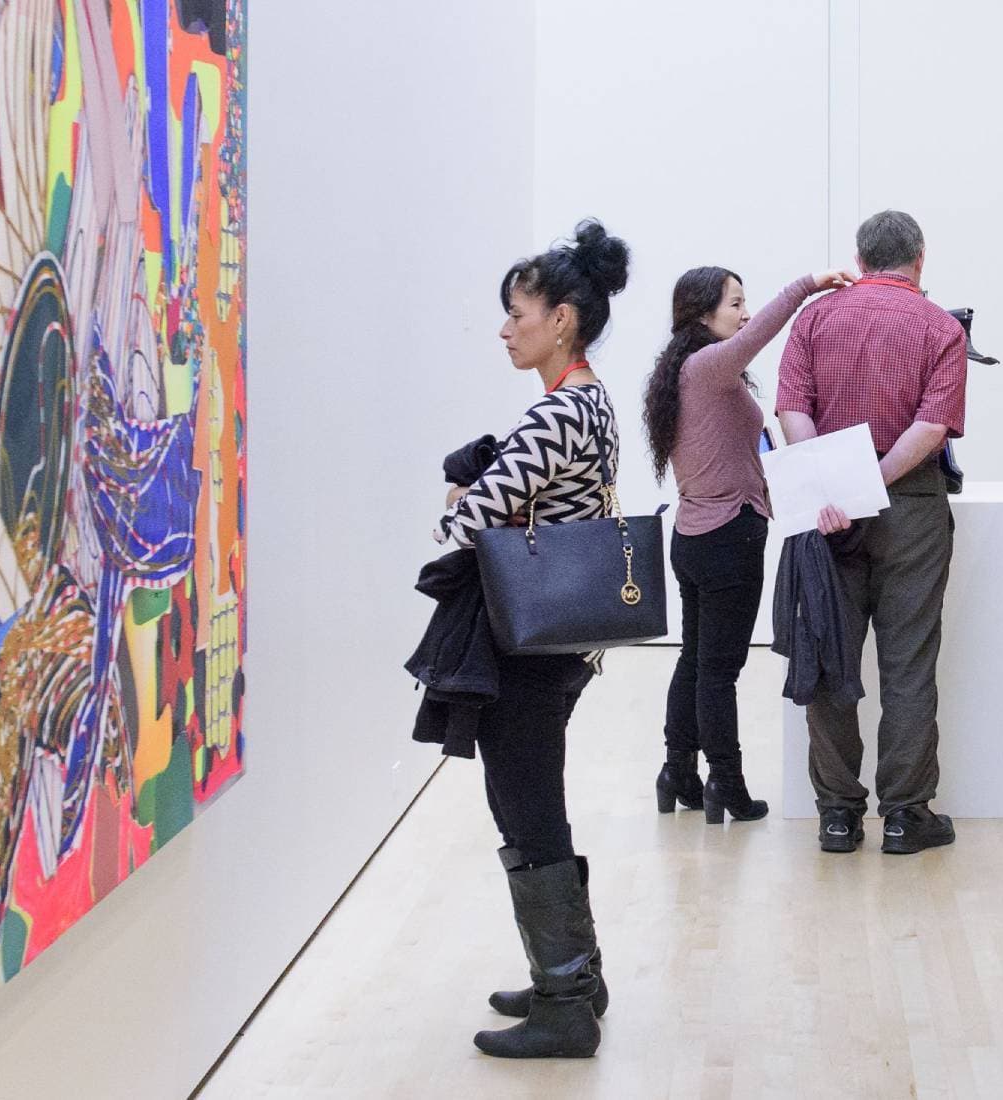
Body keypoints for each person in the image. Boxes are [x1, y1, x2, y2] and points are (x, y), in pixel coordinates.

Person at [436, 220, 632, 1058]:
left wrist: (459, 487)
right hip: (561, 643)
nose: (506, 328)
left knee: (527, 805)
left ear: (562, 319)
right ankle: (575, 973)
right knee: (530, 798)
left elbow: (465, 521)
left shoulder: (556, 414)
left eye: (518, 313)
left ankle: (563, 1001)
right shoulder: (594, 401)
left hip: (528, 648)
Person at [777, 210, 971, 856]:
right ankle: (904, 815)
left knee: (830, 657)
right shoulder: (940, 326)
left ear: (860, 261)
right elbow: (931, 428)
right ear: (919, 258)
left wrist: (832, 485)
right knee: (908, 662)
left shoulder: (815, 319)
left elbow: (792, 410)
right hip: (910, 507)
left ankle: (836, 814)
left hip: (829, 511)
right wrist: (873, 484)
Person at [642, 265, 853, 823]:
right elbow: (763, 332)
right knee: (719, 671)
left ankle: (679, 772)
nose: (746, 313)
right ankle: (726, 785)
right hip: (728, 538)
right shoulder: (709, 367)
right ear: (703, 314)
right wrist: (810, 284)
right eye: (735, 304)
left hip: (693, 538)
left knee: (696, 661)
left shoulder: (686, 371)